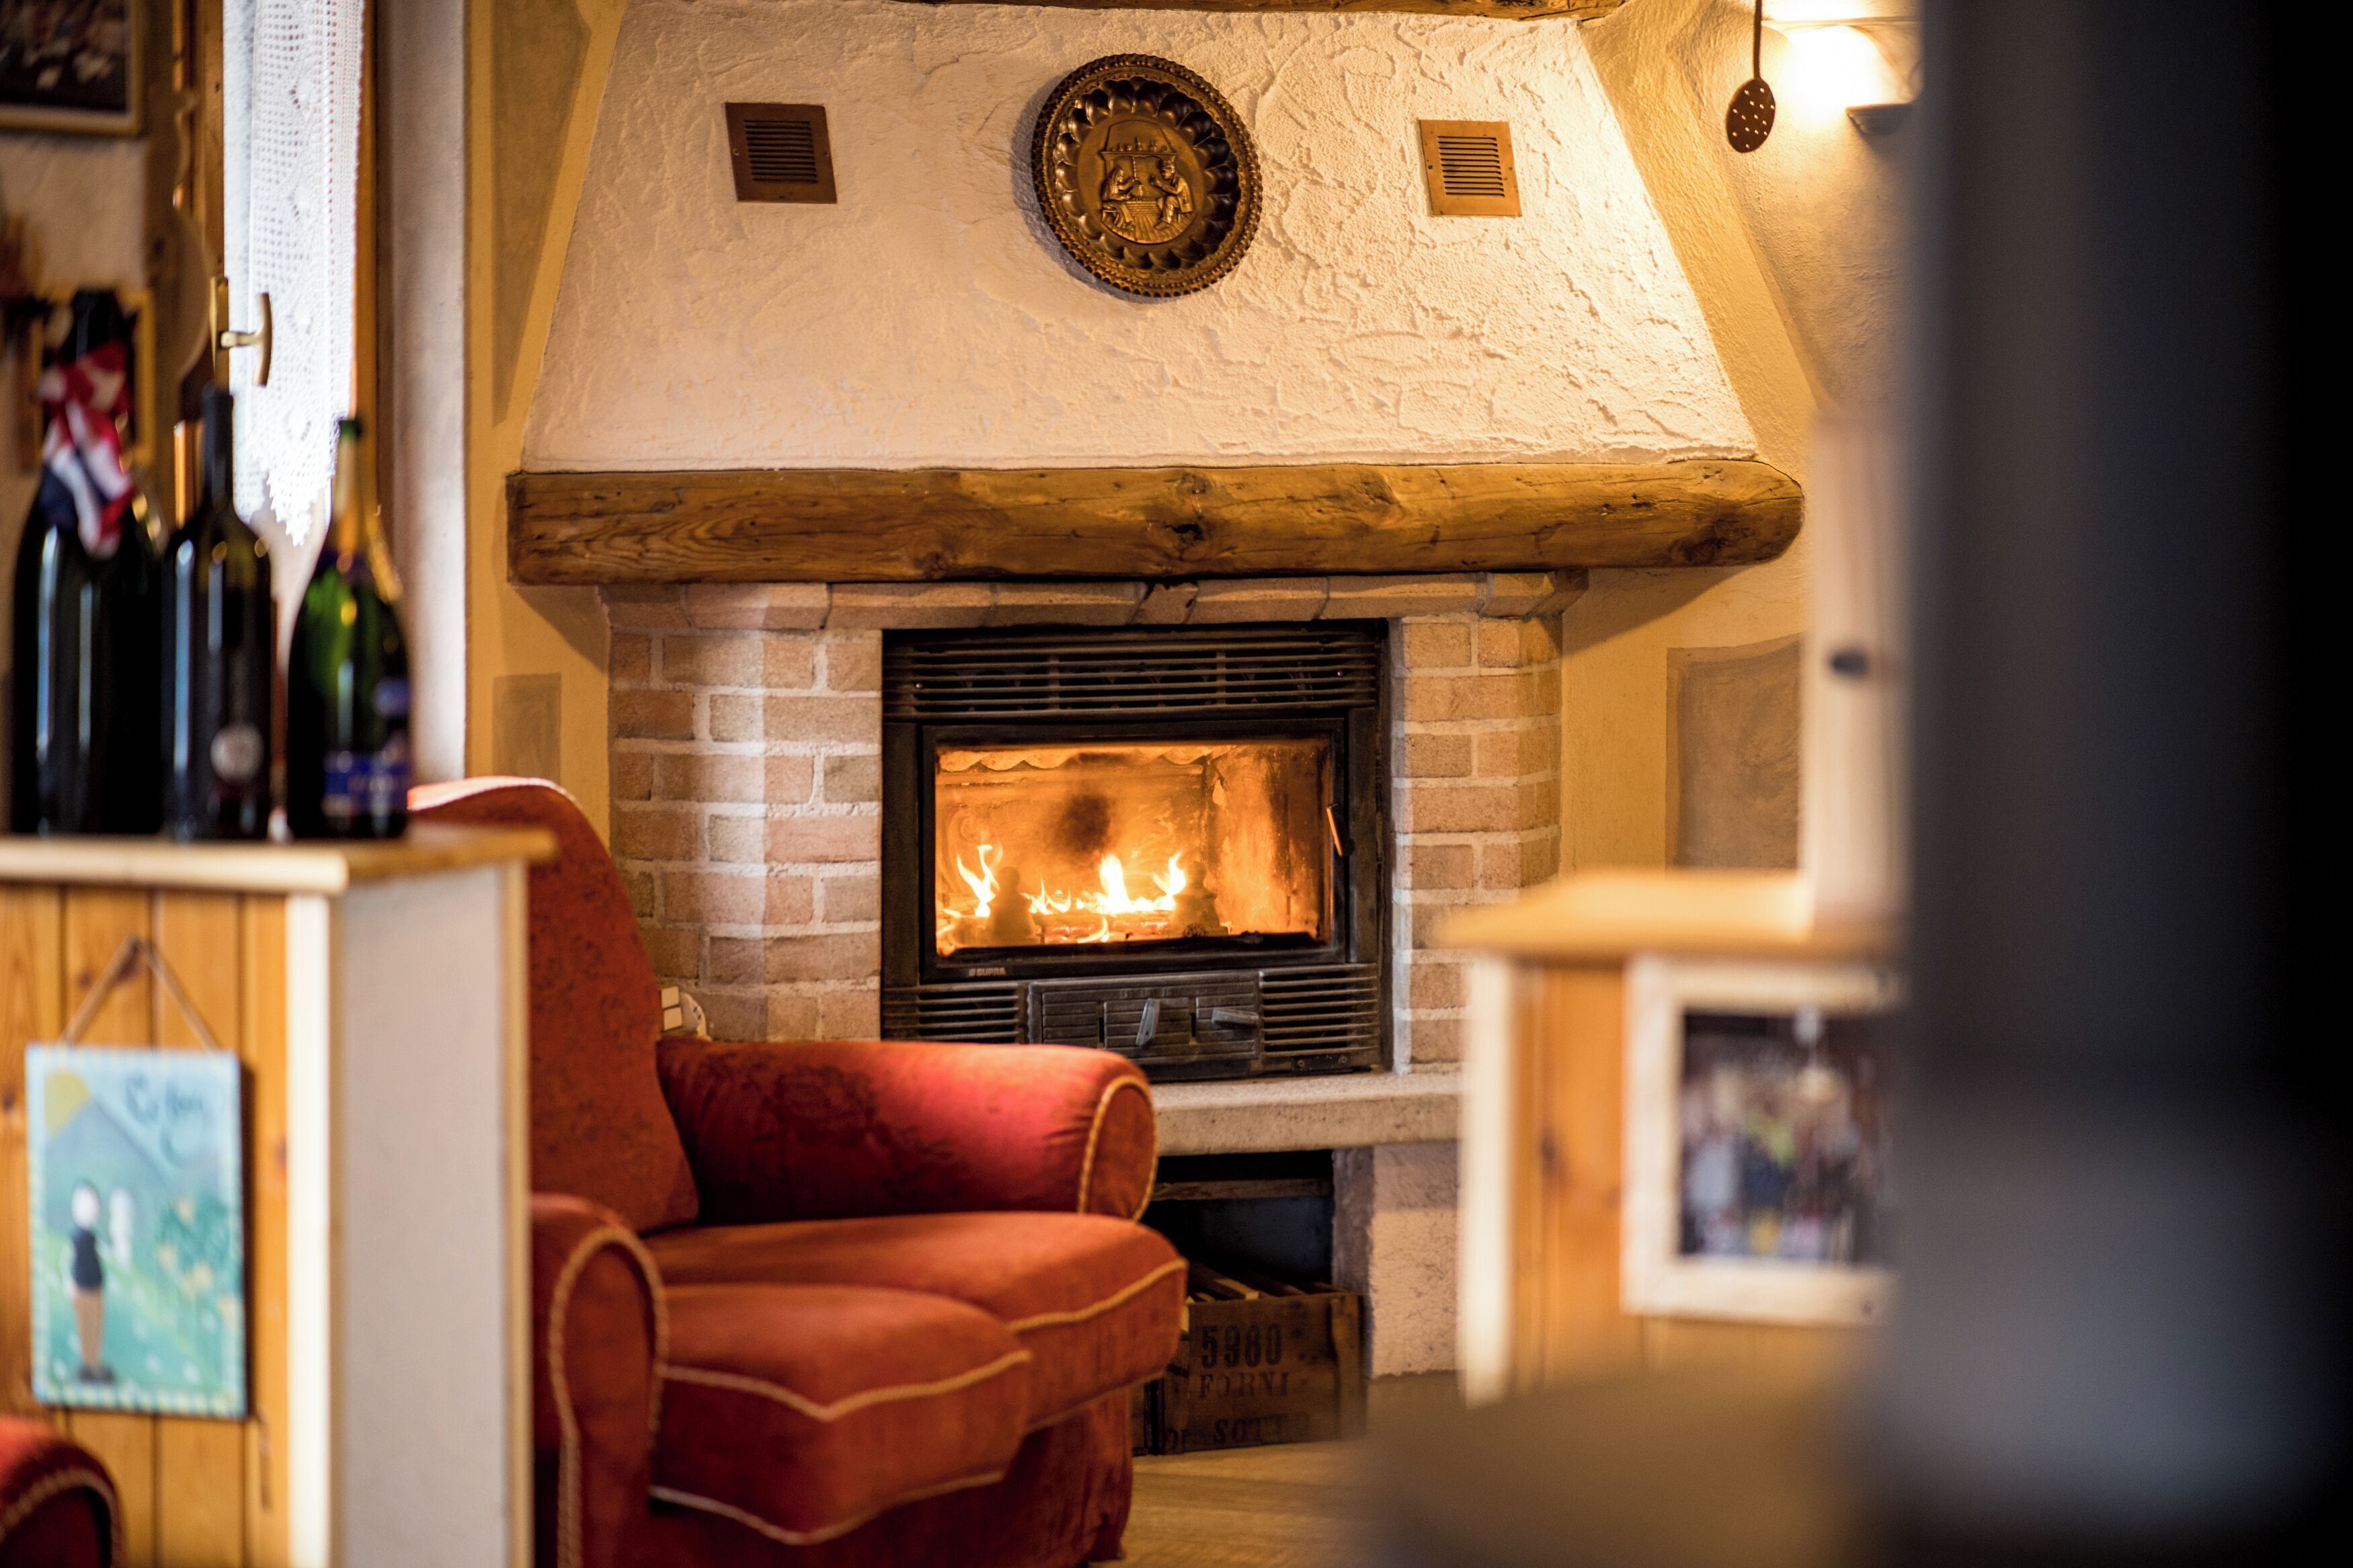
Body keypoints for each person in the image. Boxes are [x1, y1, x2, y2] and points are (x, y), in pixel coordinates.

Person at [61, 1182, 111, 1383]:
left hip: (96, 1287)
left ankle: (94, 1364)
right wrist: (69, 1281)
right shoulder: (76, 1237)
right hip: (82, 1289)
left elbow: (102, 1254)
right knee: (86, 1326)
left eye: (93, 1206)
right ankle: (88, 1364)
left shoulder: (92, 1236)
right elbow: (67, 1258)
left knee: (96, 1326)